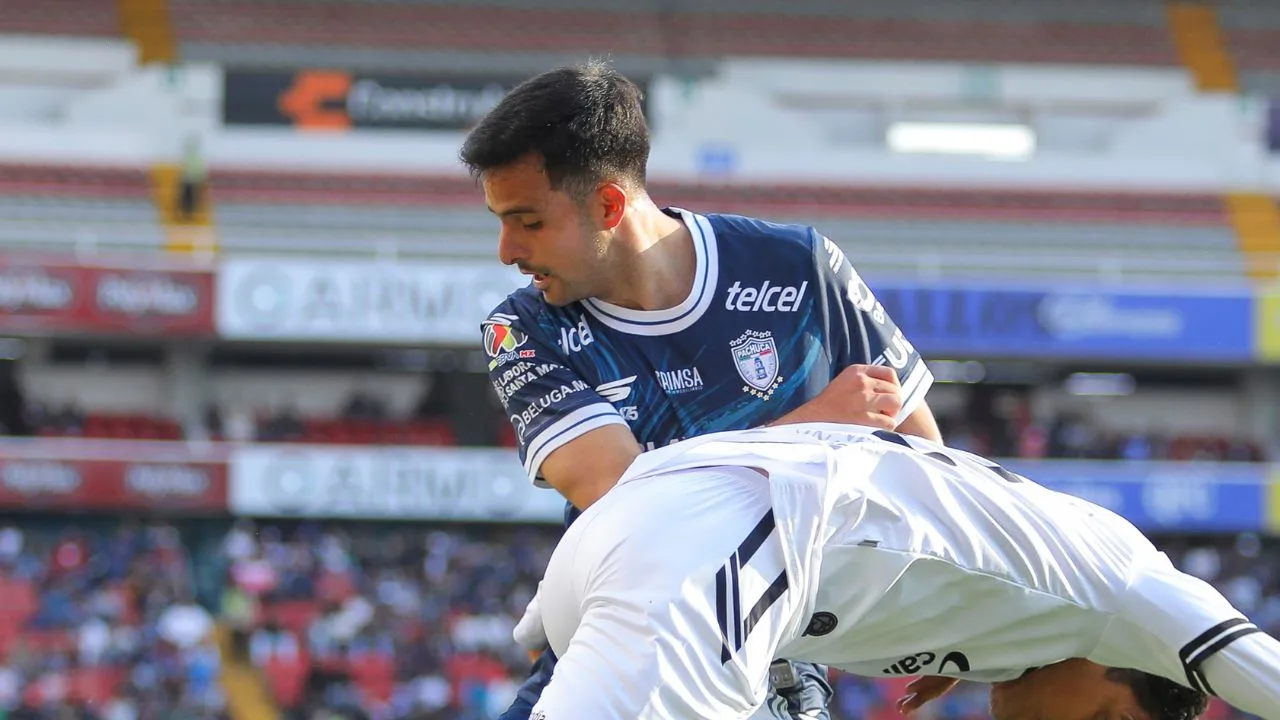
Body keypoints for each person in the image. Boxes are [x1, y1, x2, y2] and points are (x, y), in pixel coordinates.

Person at [459, 59, 941, 720]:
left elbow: (929, 467)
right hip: (609, 661)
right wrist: (815, 427)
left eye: (528, 221)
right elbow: (633, 498)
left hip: (769, 667)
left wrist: (954, 625)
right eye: (499, 220)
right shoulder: (523, 329)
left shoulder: (799, 269)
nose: (506, 249)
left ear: (608, 203)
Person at [520, 423, 1280, 720]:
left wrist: (971, 635)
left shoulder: (1037, 594)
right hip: (720, 556)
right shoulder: (1129, 592)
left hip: (630, 534)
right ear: (1128, 662)